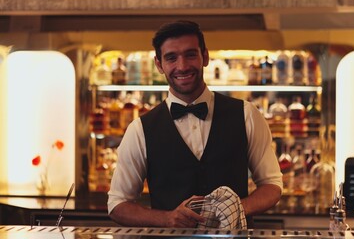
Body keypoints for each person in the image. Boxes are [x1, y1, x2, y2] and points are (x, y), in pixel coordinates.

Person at [107, 20, 283, 228]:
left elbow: (272, 185)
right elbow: (117, 204)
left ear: (205, 57)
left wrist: (235, 209)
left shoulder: (246, 114)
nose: (182, 66)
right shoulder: (140, 129)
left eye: (190, 54)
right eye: (171, 58)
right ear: (159, 64)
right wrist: (167, 218)